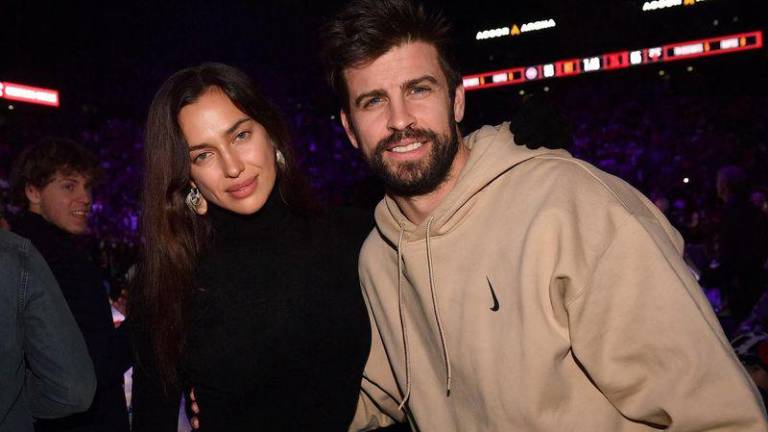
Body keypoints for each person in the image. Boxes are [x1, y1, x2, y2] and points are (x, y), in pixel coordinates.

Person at [320, 0, 768, 430]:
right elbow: (371, 395)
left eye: (419, 89)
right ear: (349, 129)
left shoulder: (572, 207)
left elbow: (717, 415)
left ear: (457, 101)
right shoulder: (379, 258)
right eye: (373, 101)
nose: (401, 120)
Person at [128, 62, 371, 431]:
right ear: (187, 174)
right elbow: (152, 419)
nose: (233, 166)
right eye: (203, 155)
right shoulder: (169, 277)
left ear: (270, 132)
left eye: (240, 135)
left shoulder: (355, 236)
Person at [9, 138, 132, 432]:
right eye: (69, 186)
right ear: (32, 191)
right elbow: (94, 368)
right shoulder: (57, 261)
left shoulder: (21, 250)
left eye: (87, 186)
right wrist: (148, 316)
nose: (85, 197)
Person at [0, 229, 96, 432]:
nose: (85, 198)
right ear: (33, 195)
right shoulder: (15, 255)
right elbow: (73, 389)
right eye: (67, 193)